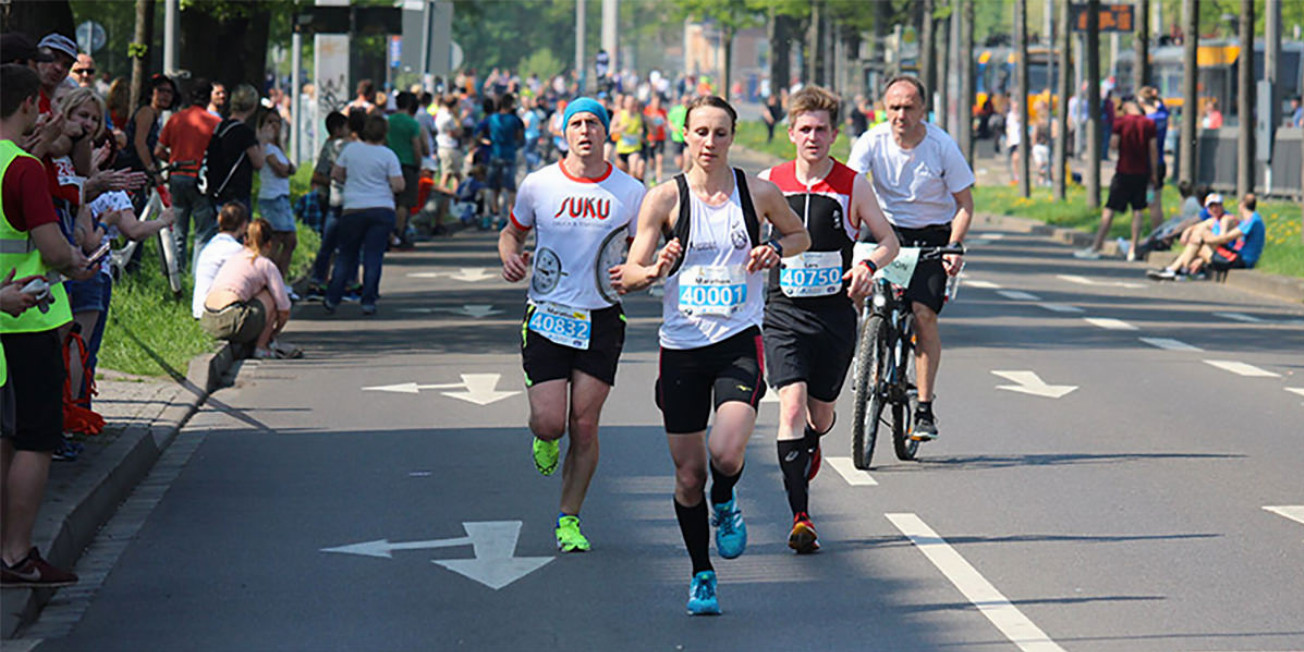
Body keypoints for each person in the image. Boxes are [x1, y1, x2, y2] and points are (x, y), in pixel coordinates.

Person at [612, 95, 810, 615]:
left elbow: (800, 233)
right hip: (680, 350)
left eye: (720, 133)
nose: (710, 143)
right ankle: (702, 572)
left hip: (737, 343)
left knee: (725, 452)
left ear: (731, 136)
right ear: (685, 135)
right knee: (686, 477)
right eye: (701, 132)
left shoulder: (758, 192)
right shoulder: (664, 199)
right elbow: (628, 275)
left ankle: (726, 498)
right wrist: (656, 269)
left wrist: (777, 251)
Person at [497, 97, 646, 554]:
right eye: (576, 124)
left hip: (601, 317)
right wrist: (509, 256)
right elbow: (512, 232)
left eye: (593, 124)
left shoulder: (631, 192)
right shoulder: (539, 185)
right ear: (565, 133)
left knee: (584, 425)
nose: (585, 131)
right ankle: (543, 437)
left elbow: (643, 253)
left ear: (606, 132)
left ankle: (569, 519)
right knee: (549, 422)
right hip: (547, 314)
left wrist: (640, 273)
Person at [758, 86, 899, 554]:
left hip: (834, 315)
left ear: (834, 133)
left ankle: (815, 439)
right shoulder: (768, 182)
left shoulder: (852, 183)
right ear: (791, 133)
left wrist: (867, 265)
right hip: (783, 312)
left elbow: (888, 241)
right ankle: (801, 516)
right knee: (791, 408)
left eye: (822, 129)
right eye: (805, 129)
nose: (813, 137)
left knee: (818, 414)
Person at [1, 63, 95, 589]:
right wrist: (77, 263)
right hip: (29, 317)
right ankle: (16, 553)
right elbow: (53, 246)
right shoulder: (24, 170)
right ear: (27, 107)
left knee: (0, 438)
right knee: (35, 440)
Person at [848, 75, 975, 441]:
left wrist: (954, 244)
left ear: (922, 109)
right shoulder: (872, 140)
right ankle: (865, 347)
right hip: (886, 230)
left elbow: (965, 204)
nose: (900, 115)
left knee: (923, 315)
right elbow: (852, 187)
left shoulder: (941, 145)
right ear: (883, 109)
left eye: (908, 107)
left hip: (931, 235)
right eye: (893, 108)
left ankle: (923, 407)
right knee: (855, 286)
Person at [325, 113, 403, 316]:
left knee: (346, 255)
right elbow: (398, 184)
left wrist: (351, 184)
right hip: (381, 209)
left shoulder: (351, 150)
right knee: (373, 256)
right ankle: (368, 300)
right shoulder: (388, 155)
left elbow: (336, 174)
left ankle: (332, 298)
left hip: (353, 208)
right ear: (384, 133)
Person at [201, 217, 295, 358]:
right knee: (270, 296)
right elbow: (284, 309)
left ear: (245, 241)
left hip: (207, 319)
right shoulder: (265, 264)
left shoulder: (233, 258)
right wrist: (274, 331)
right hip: (231, 320)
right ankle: (261, 347)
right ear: (269, 244)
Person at [1077, 99, 1157, 260]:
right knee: (1138, 210)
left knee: (1110, 208)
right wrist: (1153, 172)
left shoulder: (1120, 122)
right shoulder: (1149, 124)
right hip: (1142, 172)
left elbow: (1114, 144)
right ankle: (1133, 249)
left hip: (1123, 170)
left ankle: (1097, 245)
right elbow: (1153, 149)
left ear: (1126, 107)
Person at [155, 78, 221, 270]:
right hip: (201, 180)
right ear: (208, 97)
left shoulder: (175, 119)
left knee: (179, 231)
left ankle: (176, 274)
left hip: (176, 177)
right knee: (203, 233)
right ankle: (197, 276)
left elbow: (158, 151)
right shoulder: (214, 122)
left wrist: (174, 160)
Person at [1147, 193, 1265, 280]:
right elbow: (1198, 226)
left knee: (1201, 238)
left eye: (1217, 205)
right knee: (1199, 235)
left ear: (1242, 205)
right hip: (1235, 256)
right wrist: (1189, 231)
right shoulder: (1248, 219)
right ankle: (1177, 270)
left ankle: (1178, 270)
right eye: (1211, 206)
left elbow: (1225, 238)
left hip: (1241, 260)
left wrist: (1206, 238)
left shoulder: (1241, 219)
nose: (1215, 208)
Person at [202, 84, 266, 243]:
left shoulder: (219, 127)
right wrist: (263, 142)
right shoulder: (244, 133)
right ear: (252, 106)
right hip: (237, 193)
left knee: (218, 238)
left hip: (217, 190)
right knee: (237, 240)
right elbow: (258, 162)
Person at [306, 110, 352, 300]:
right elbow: (318, 176)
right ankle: (340, 282)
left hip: (333, 200)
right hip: (337, 200)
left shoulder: (331, 146)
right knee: (341, 244)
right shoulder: (338, 147)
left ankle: (320, 280)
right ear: (338, 128)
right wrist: (339, 180)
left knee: (329, 243)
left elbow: (317, 175)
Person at [256, 110, 297, 280]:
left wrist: (287, 168)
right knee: (278, 240)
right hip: (272, 198)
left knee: (289, 241)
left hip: (281, 197)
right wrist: (286, 168)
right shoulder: (265, 147)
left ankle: (279, 279)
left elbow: (291, 168)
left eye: (277, 122)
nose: (274, 126)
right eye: (269, 122)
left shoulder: (277, 148)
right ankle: (271, 279)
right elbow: (281, 169)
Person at [193, 201, 249, 320]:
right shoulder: (235, 250)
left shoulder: (210, 246)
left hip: (199, 311)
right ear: (244, 225)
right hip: (214, 313)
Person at [116, 74, 177, 179]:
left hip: (136, 170)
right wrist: (153, 172)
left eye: (169, 92)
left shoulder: (158, 118)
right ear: (151, 93)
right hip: (129, 169)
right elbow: (140, 143)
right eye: (161, 90)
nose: (165, 95)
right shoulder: (147, 112)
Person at [386, 91, 425, 250]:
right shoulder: (412, 124)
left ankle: (388, 234)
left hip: (389, 164)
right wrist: (419, 163)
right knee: (404, 202)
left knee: (391, 201)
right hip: (407, 165)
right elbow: (416, 146)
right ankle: (398, 234)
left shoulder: (388, 121)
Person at [485, 93, 524, 226]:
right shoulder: (514, 120)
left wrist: (487, 141)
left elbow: (480, 132)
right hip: (509, 155)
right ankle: (508, 216)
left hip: (495, 154)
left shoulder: (492, 118)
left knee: (494, 187)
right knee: (510, 188)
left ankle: (494, 214)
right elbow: (519, 137)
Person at [1139, 86, 1170, 231]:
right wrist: (1157, 99)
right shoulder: (1163, 116)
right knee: (1157, 201)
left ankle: (1154, 233)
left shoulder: (1146, 122)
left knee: (1149, 203)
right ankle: (1160, 234)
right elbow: (1163, 108)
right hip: (1160, 162)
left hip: (1148, 164)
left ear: (1141, 102)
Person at [611, 95, 645, 181]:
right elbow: (611, 130)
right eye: (629, 102)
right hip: (622, 149)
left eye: (633, 101)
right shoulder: (619, 115)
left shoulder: (639, 116)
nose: (631, 104)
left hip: (634, 148)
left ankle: (635, 190)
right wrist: (620, 129)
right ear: (625, 104)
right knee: (622, 175)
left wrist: (642, 134)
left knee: (633, 169)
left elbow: (646, 127)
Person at [434, 94, 464, 193]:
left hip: (441, 146)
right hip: (449, 147)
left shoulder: (439, 113)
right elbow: (454, 133)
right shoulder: (448, 117)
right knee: (449, 174)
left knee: (452, 173)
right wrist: (458, 123)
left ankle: (451, 194)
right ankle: (450, 195)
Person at [644, 93, 669, 184]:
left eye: (659, 102)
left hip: (660, 137)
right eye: (655, 102)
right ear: (652, 102)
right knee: (651, 160)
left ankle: (659, 179)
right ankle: (652, 174)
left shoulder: (663, 111)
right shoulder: (647, 110)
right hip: (650, 138)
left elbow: (666, 122)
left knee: (660, 159)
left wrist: (664, 122)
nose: (657, 104)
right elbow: (644, 123)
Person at [667, 93, 689, 172]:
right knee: (678, 160)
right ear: (681, 101)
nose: (686, 103)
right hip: (677, 137)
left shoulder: (691, 110)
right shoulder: (675, 110)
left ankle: (685, 171)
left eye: (688, 101)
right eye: (685, 101)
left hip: (688, 138)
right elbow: (669, 121)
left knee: (687, 155)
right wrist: (672, 128)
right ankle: (682, 169)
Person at [1004, 97, 1022, 185]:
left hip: (1019, 140)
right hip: (1012, 140)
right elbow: (1008, 128)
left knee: (1016, 158)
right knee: (1013, 160)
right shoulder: (1010, 115)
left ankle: (1018, 176)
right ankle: (1015, 176)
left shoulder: (1021, 115)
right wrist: (1008, 139)